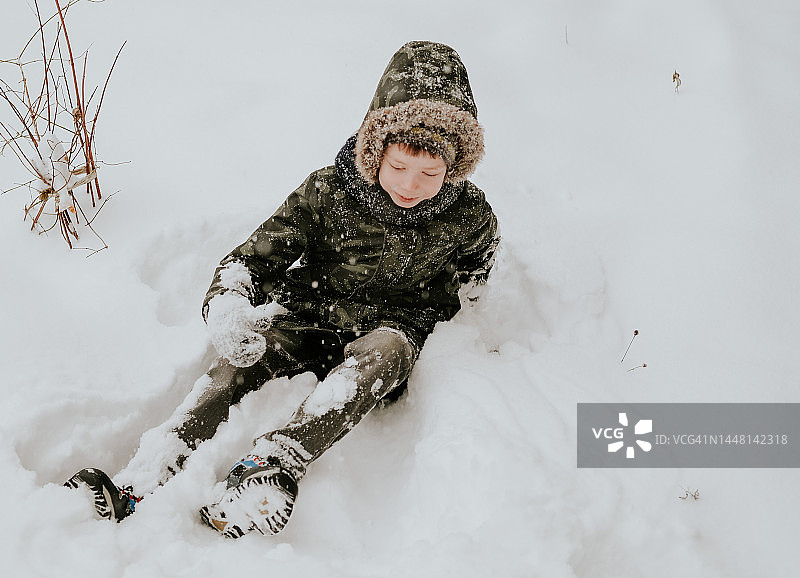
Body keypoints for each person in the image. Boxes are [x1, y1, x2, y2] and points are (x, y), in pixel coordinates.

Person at [65, 40, 499, 538]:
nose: (410, 184)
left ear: (454, 169)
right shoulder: (329, 192)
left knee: (386, 351)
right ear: (376, 150)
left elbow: (474, 280)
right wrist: (229, 304)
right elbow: (253, 259)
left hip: (389, 330)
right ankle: (143, 476)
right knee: (240, 363)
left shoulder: (468, 216)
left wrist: (461, 326)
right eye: (398, 166)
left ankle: (273, 463)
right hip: (308, 315)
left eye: (430, 174)